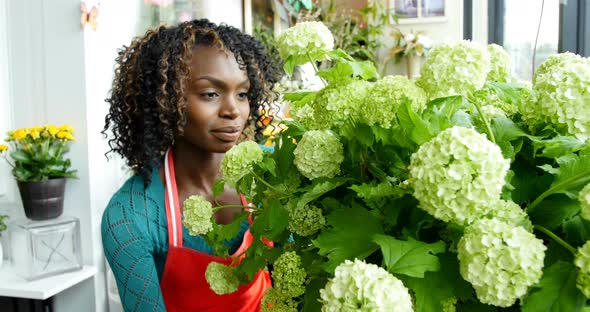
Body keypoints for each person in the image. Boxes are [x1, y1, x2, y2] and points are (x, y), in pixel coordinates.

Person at [101, 19, 281, 311]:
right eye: (210, 94)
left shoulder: (272, 172)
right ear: (166, 101)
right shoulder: (131, 216)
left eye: (243, 93)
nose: (233, 110)